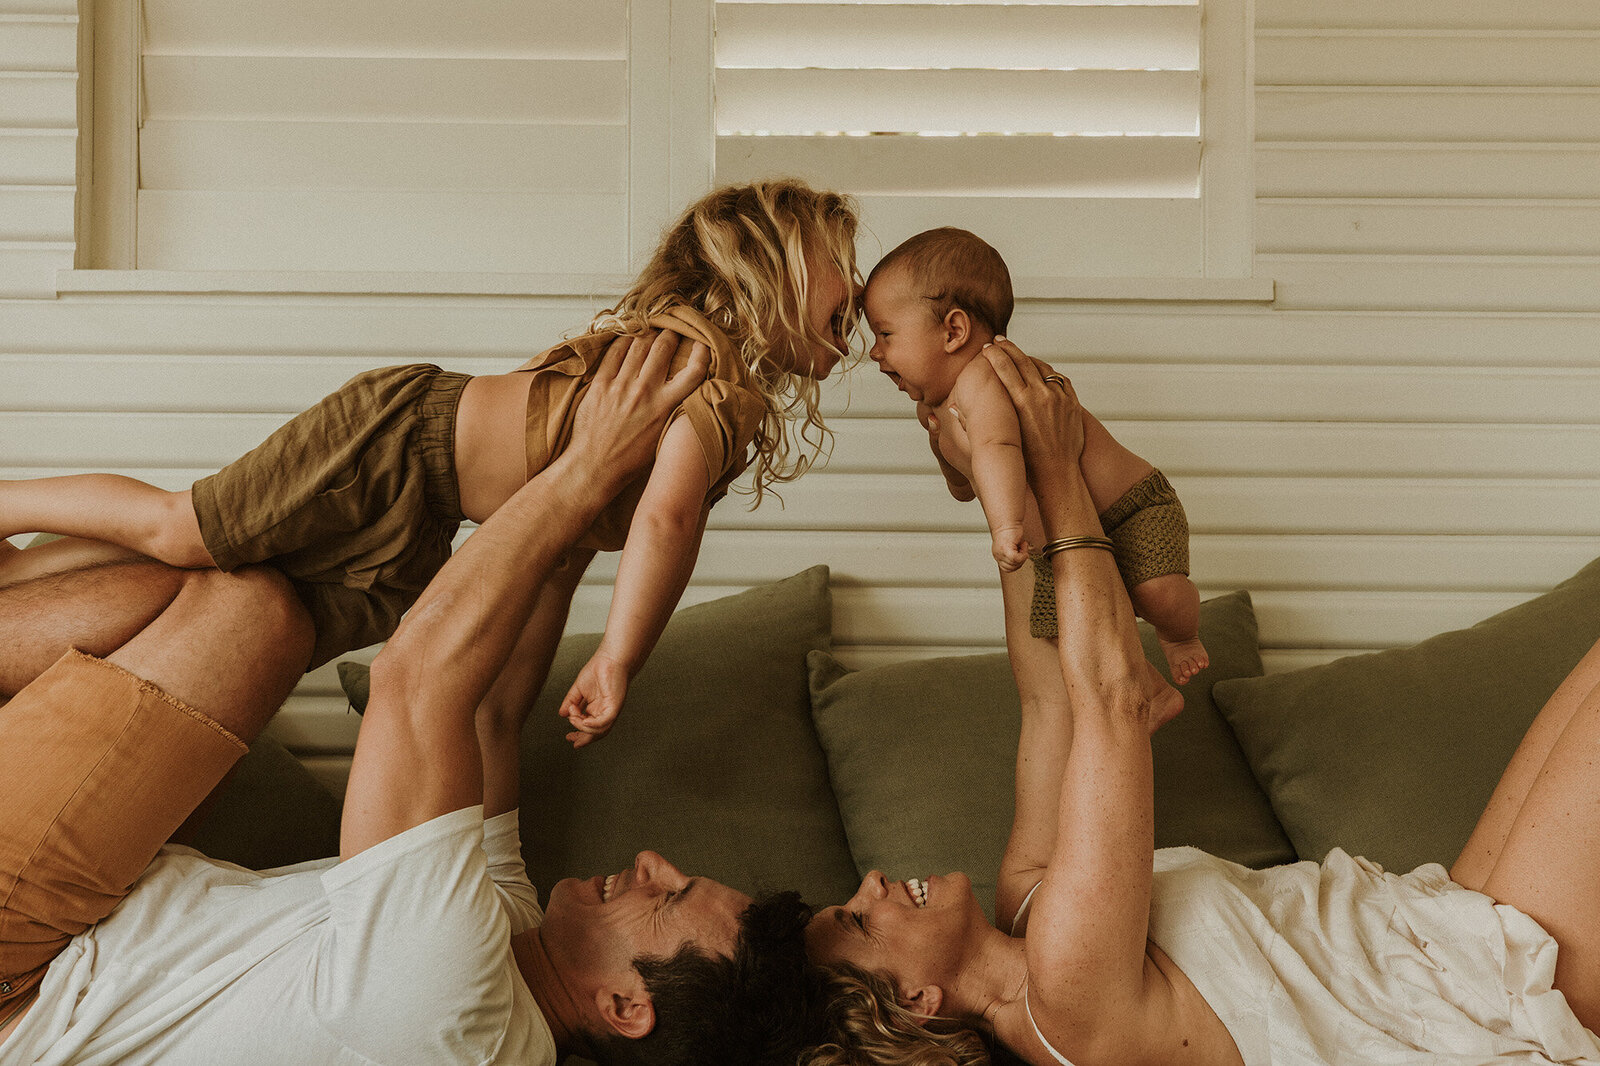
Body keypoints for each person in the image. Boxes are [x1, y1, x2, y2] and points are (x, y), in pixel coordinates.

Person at [0, 333, 822, 1066]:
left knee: (253, 613)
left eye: (671, 895)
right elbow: (488, 713)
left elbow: (418, 679)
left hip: (18, 975)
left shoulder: (450, 1014)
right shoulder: (506, 945)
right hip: (71, 926)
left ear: (626, 1008)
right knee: (233, 587)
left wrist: (586, 470)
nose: (655, 862)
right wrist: (576, 532)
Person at [803, 339, 1600, 1066]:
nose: (870, 881)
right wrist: (1049, 463)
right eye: (862, 920)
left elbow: (1049, 694)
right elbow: (1113, 703)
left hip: (1445, 928)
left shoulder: (1029, 901)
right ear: (915, 1001)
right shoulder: (1067, 1007)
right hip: (1494, 1005)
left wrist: (997, 486)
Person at [0, 178, 863, 747]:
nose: (857, 305)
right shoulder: (703, 377)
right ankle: (10, 503)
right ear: (771, 273)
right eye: (843, 277)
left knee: (242, 581)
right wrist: (620, 659)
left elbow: (566, 546)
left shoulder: (706, 385)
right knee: (183, 529)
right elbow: (666, 521)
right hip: (395, 438)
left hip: (430, 515)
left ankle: (23, 579)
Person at [863, 228, 1207, 683]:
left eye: (886, 334)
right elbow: (966, 487)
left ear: (954, 331)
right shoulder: (936, 407)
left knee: (1158, 595)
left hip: (1129, 512)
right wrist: (943, 450)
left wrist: (1006, 528)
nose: (874, 352)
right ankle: (1148, 685)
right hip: (1064, 544)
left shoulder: (984, 377)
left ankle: (1180, 635)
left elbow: (997, 448)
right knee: (1072, 634)